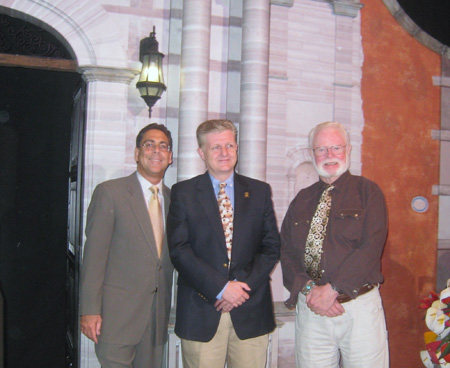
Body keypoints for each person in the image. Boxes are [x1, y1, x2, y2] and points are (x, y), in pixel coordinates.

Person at [167, 119, 280, 368]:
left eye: (229, 145)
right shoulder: (183, 193)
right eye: (216, 147)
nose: (224, 153)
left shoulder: (259, 191)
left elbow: (271, 246)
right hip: (201, 309)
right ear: (201, 152)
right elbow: (179, 250)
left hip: (250, 309)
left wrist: (240, 288)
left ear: (237, 148)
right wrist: (220, 287)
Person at [280, 121, 389, 368]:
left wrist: (333, 290)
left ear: (348, 150)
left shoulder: (368, 192)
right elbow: (285, 249)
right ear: (312, 154)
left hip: (358, 310)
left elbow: (371, 248)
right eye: (321, 149)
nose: (329, 155)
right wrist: (309, 290)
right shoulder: (301, 199)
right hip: (312, 310)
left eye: (336, 148)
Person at [79, 123, 174, 368]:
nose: (156, 151)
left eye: (163, 146)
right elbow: (94, 256)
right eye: (149, 144)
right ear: (136, 153)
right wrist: (89, 309)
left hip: (156, 318)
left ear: (170, 157)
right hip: (116, 318)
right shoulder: (111, 193)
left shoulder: (175, 200)